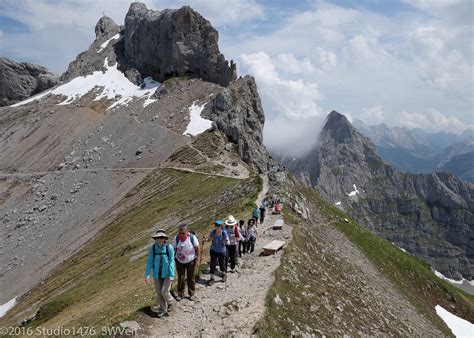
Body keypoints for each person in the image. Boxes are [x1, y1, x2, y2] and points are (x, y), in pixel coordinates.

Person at [145, 229, 175, 318]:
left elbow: (172, 261)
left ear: (164, 238)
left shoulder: (169, 247)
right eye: (158, 237)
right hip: (156, 274)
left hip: (167, 274)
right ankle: (162, 310)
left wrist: (171, 274)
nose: (159, 239)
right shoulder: (153, 248)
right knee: (159, 292)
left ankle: (171, 302)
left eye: (161, 237)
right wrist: (147, 275)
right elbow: (150, 262)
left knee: (164, 291)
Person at [172, 224, 200, 301]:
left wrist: (197, 260)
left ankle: (191, 294)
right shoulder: (176, 238)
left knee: (191, 277)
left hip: (191, 260)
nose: (181, 234)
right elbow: (173, 249)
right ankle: (180, 294)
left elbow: (197, 248)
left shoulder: (192, 237)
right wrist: (171, 260)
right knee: (181, 278)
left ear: (187, 232)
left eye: (183, 233)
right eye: (179, 233)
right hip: (179, 261)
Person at [203, 220, 229, 285]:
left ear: (221, 226)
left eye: (218, 225)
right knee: (212, 264)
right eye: (216, 225)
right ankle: (212, 278)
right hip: (213, 250)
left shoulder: (224, 233)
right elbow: (209, 239)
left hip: (222, 251)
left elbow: (227, 239)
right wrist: (205, 240)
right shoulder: (213, 232)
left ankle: (224, 274)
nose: (217, 227)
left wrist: (227, 241)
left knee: (222, 264)